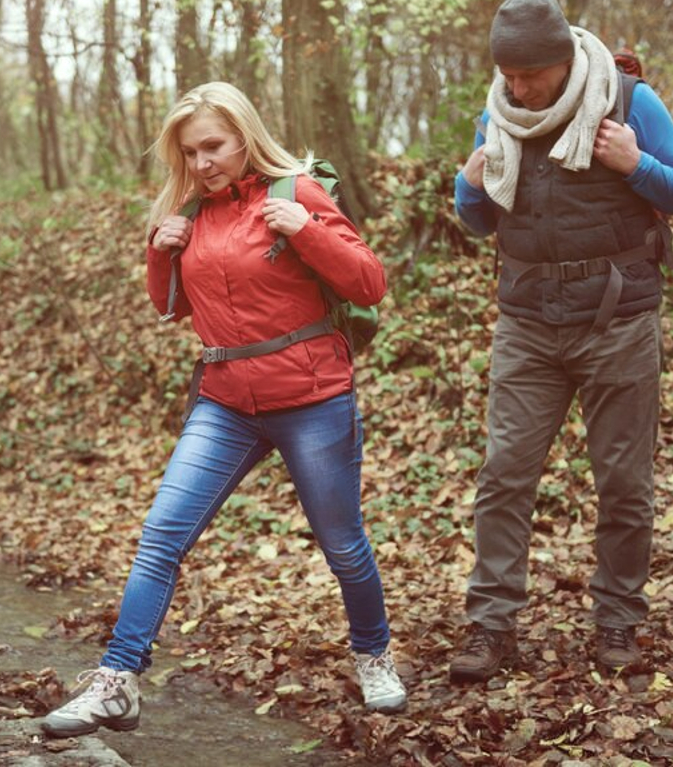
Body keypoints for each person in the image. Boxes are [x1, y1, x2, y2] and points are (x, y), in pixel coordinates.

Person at [42, 81, 406, 737]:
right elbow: (172, 306)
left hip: (314, 398)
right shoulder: (193, 214)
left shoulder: (295, 193)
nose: (203, 161)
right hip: (225, 404)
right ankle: (117, 682)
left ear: (244, 138)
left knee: (343, 546)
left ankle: (373, 655)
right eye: (191, 152)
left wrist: (307, 233)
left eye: (214, 146)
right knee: (160, 538)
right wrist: (161, 251)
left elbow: (369, 281)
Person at [450, 0, 673, 682]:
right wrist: (468, 185)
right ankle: (490, 626)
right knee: (504, 477)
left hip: (618, 322)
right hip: (528, 324)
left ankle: (617, 620)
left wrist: (636, 164)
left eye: (531, 73)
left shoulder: (629, 102)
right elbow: (476, 217)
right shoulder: (498, 113)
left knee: (624, 482)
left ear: (563, 59)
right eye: (509, 73)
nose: (520, 86)